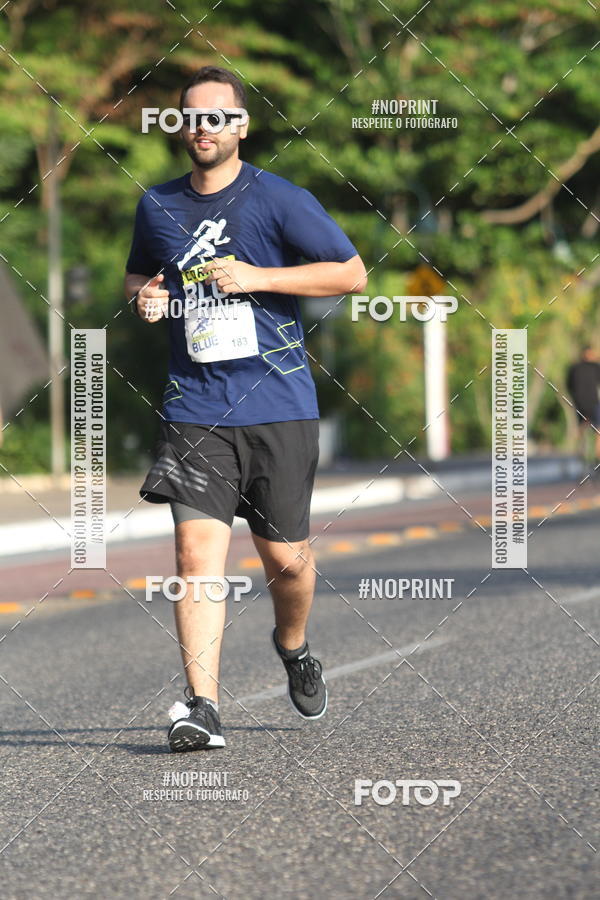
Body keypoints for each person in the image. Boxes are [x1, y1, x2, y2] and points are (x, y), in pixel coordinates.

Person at [124, 65, 367, 752]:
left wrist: (259, 277)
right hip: (194, 406)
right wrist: (145, 295)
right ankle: (203, 707)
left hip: (279, 406)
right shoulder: (158, 205)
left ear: (240, 125)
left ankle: (292, 645)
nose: (202, 128)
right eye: (191, 117)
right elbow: (141, 274)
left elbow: (351, 272)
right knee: (196, 556)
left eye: (216, 117)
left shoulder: (279, 198)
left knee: (286, 562)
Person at [566, 347, 600, 464]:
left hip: (579, 403)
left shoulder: (574, 368)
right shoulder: (595, 366)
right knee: (598, 430)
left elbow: (569, 385)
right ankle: (597, 457)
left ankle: (580, 454)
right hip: (593, 403)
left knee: (582, 427)